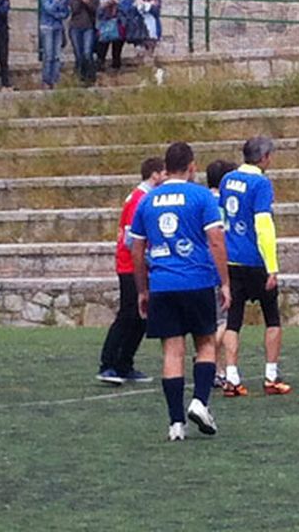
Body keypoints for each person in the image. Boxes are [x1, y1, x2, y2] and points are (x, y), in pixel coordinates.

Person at [129, 142, 231, 441]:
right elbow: (215, 240)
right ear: (191, 166)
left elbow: (136, 249)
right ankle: (199, 402)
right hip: (197, 280)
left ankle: (176, 424)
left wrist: (142, 289)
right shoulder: (201, 196)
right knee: (206, 344)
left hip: (162, 284)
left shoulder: (147, 200)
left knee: (172, 352)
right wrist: (224, 282)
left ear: (166, 167)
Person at [218, 137, 291, 397]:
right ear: (263, 157)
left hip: (231, 259)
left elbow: (223, 216)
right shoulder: (261, 183)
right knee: (272, 317)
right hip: (254, 260)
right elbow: (263, 225)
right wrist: (272, 266)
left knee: (233, 321)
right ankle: (271, 375)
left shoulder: (227, 179)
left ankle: (232, 377)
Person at [96, 157, 166, 385]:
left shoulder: (142, 197)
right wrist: (147, 256)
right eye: (164, 173)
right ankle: (108, 364)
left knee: (141, 317)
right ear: (155, 175)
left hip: (137, 265)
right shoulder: (139, 199)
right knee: (128, 314)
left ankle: (125, 363)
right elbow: (130, 239)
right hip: (130, 266)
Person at [206, 158, 239, 388]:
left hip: (199, 267)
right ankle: (206, 358)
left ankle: (214, 369)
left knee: (212, 320)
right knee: (223, 321)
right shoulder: (222, 203)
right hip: (218, 267)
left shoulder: (200, 198)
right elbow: (222, 237)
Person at [39, 0, 70, 89]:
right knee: (48, 55)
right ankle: (46, 80)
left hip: (58, 27)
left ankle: (55, 80)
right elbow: (49, 9)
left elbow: (66, 13)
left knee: (57, 55)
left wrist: (57, 14)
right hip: (47, 27)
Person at [68, 0, 99, 85]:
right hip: (75, 27)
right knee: (78, 54)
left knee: (87, 53)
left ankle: (90, 78)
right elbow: (74, 10)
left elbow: (95, 10)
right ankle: (79, 78)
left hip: (88, 27)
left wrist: (86, 2)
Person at [96, 0, 129, 72]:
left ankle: (116, 72)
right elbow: (98, 14)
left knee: (117, 52)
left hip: (119, 27)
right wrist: (104, 5)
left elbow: (127, 12)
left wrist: (117, 3)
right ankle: (100, 72)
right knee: (102, 51)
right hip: (105, 26)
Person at [133, 0, 161, 65]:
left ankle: (150, 70)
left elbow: (156, 11)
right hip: (140, 26)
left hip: (152, 26)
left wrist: (147, 5)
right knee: (140, 50)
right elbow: (134, 11)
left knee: (150, 49)